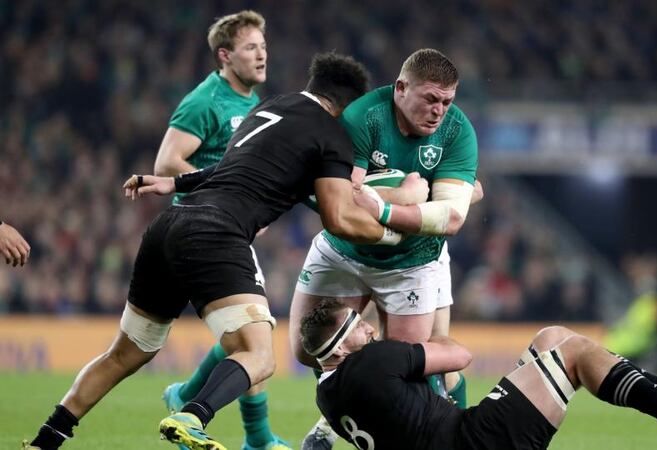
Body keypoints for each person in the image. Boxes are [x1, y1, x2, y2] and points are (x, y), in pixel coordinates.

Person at [23, 52, 397, 450]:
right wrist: (391, 231)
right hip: (216, 232)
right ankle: (191, 414)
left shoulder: (270, 107)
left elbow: (230, 165)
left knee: (125, 353)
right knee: (259, 355)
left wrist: (175, 183)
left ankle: (46, 440)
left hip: (170, 225)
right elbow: (338, 218)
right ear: (350, 105)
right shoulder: (333, 135)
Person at [293, 48, 479, 449]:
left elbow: (451, 218)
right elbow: (342, 197)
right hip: (345, 250)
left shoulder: (458, 132)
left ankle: (450, 434)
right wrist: (410, 196)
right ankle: (332, 421)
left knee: (409, 370)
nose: (439, 111)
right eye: (430, 99)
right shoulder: (363, 117)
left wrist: (383, 207)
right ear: (400, 88)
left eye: (447, 102)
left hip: (412, 262)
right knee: (307, 350)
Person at [300, 299, 657, 450]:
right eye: (357, 327)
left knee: (551, 337)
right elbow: (459, 356)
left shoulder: (327, 397)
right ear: (339, 346)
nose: (369, 327)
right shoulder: (374, 361)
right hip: (474, 442)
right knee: (572, 351)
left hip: (462, 437)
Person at [150, 10, 288, 450]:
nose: (262, 54)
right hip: (204, 228)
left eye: (264, 46)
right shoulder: (205, 100)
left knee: (245, 335)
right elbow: (167, 161)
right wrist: (229, 194)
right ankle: (254, 436)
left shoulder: (253, 104)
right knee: (255, 333)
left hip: (226, 228)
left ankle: (189, 396)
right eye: (251, 47)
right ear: (225, 56)